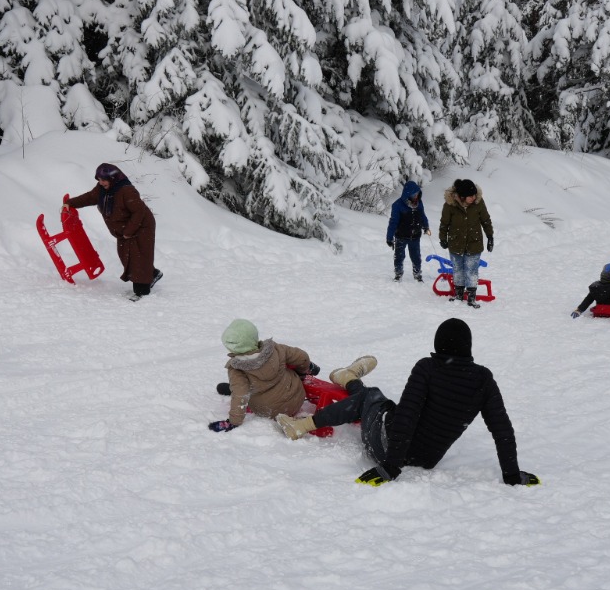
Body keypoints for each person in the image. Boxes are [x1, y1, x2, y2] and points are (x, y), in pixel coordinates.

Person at [277, 318, 540, 487]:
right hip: (426, 459)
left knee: (370, 397)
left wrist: (390, 468)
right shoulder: (483, 379)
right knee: (379, 401)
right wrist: (512, 475)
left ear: (438, 343)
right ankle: (349, 377)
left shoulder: (427, 368)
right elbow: (502, 429)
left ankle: (302, 425)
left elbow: (407, 417)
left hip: (387, 447)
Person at [208, 318, 366, 434]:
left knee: (240, 388)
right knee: (287, 366)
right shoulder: (276, 349)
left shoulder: (236, 369)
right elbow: (301, 356)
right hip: (296, 397)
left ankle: (234, 389)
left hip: (267, 410)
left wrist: (233, 422)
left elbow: (240, 396)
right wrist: (304, 370)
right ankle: (293, 378)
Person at [64, 163, 161, 299]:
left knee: (138, 256)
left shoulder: (126, 191)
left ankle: (142, 290)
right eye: (99, 179)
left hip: (142, 226)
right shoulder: (102, 190)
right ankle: (152, 274)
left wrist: (129, 231)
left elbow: (139, 212)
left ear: (113, 178)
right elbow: (89, 197)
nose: (101, 182)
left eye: (103, 179)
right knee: (125, 254)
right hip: (125, 229)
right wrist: (70, 203)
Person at [438, 178, 493, 307]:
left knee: (472, 271)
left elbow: (485, 220)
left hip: (474, 243)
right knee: (458, 270)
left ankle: (471, 298)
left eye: (474, 195)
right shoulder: (450, 204)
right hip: (456, 243)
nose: (473, 198)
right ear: (462, 197)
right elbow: (444, 223)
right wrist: (443, 238)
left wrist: (490, 236)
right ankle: (458, 294)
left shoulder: (478, 202)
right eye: (470, 196)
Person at [386, 181, 431, 282]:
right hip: (401, 236)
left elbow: (422, 215)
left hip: (415, 236)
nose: (416, 196)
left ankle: (417, 274)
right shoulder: (397, 205)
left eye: (417, 194)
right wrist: (389, 237)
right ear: (407, 194)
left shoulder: (419, 203)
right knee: (399, 256)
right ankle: (398, 274)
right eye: (414, 194)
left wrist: (426, 226)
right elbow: (393, 222)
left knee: (416, 257)